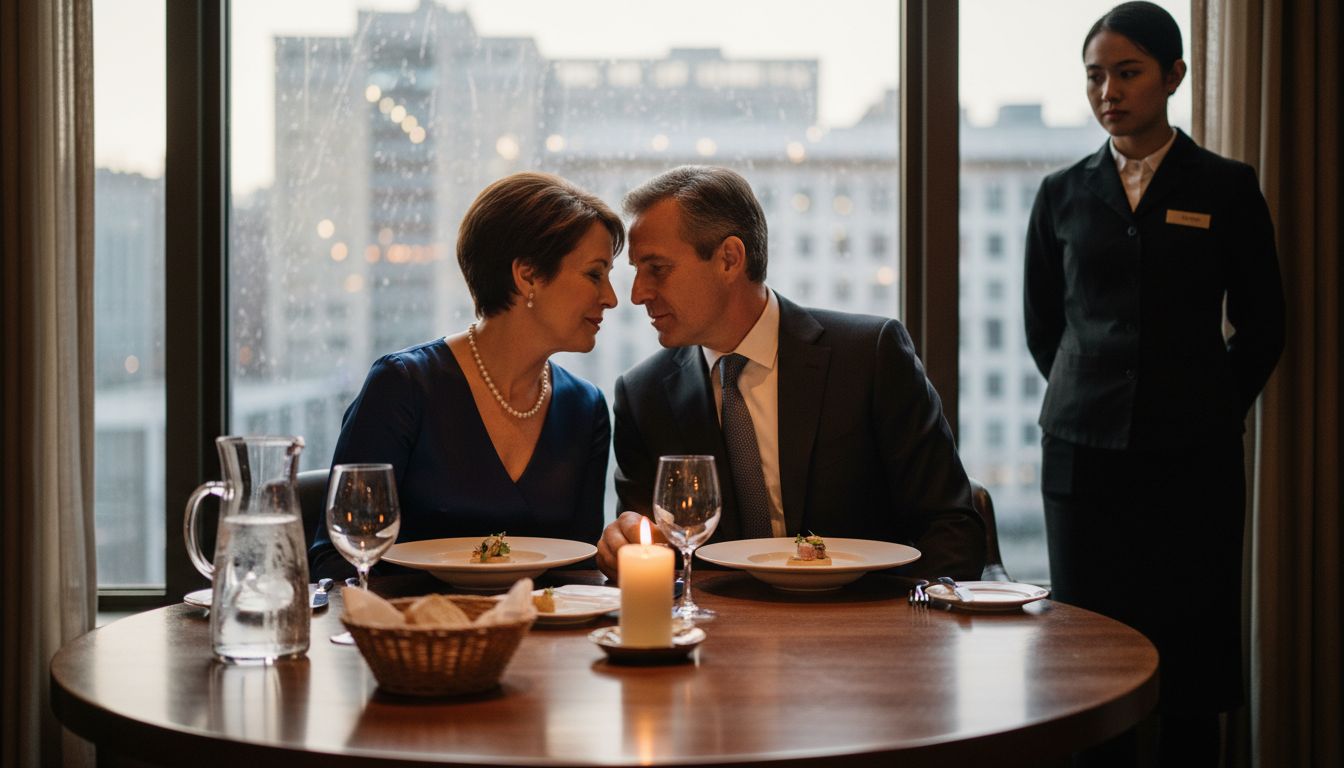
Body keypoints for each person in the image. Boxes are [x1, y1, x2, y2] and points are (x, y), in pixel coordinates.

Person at [1023, 3, 1284, 765]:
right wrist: (1089, 396)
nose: (1109, 90)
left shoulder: (1228, 187)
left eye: (1128, 72)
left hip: (1193, 459)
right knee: (1087, 664)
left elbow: (1265, 327)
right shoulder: (1061, 193)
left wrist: (1209, 406)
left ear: (1174, 75)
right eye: (1096, 76)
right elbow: (1047, 327)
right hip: (1080, 459)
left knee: (1192, 665)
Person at [595, 165, 985, 583]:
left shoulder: (870, 355)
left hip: (866, 624)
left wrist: (905, 629)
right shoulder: (643, 395)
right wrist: (623, 549)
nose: (637, 294)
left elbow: (951, 526)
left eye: (656, 268)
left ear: (729, 259)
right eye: (636, 271)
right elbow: (648, 553)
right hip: (721, 635)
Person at [310, 172, 623, 580]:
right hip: (413, 636)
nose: (611, 297)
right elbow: (336, 560)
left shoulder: (586, 408)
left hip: (541, 640)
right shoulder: (403, 385)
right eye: (594, 274)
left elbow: (579, 570)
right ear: (527, 274)